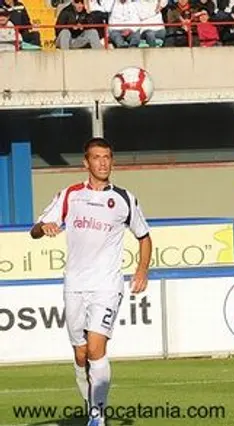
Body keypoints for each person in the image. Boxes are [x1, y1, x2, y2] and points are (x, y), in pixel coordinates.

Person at [30, 138, 152, 426]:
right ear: (86, 163)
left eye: (107, 157)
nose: (103, 162)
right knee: (81, 354)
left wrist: (142, 270)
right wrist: (44, 227)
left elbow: (144, 237)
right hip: (74, 284)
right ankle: (91, 405)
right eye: (97, 157)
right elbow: (34, 230)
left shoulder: (124, 199)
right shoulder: (70, 195)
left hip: (107, 285)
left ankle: (97, 416)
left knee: (96, 348)